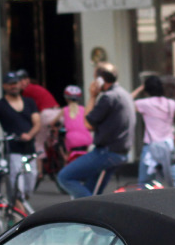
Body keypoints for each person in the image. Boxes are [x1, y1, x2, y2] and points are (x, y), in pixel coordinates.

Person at [57, 64, 134, 198]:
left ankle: (89, 208)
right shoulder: (124, 94)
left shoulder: (108, 97)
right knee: (92, 191)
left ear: (100, 80)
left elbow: (87, 123)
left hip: (106, 152)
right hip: (118, 152)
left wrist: (92, 96)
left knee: (64, 177)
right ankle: (91, 212)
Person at [0, 70, 41, 203]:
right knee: (17, 187)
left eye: (15, 83)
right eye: (10, 84)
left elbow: (37, 123)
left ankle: (19, 208)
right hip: (13, 151)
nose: (13, 86)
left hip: (29, 149)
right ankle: (20, 213)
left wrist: (29, 135)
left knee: (30, 183)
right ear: (4, 86)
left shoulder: (29, 102)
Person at [133, 74, 175, 187]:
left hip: (151, 147)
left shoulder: (144, 104)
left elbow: (126, 102)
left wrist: (140, 88)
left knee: (145, 183)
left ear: (147, 89)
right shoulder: (172, 103)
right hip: (169, 145)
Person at [61, 85, 93, 156]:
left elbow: (54, 122)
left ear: (66, 98)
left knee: (64, 153)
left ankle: (66, 160)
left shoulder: (65, 110)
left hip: (71, 141)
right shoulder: (84, 109)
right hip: (87, 139)